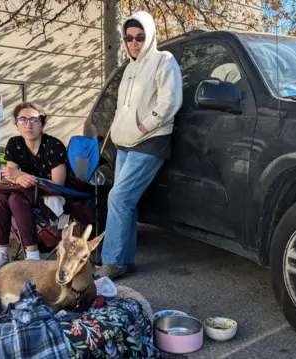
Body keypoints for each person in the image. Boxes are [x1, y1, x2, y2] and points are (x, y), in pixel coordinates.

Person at [94, 11, 183, 280]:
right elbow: (123, 108)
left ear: (150, 36)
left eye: (140, 37)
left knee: (119, 198)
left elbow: (170, 101)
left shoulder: (163, 61)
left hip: (150, 142)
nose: (134, 42)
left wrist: (146, 125)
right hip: (124, 144)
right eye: (129, 37)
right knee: (126, 203)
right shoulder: (129, 69)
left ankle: (113, 261)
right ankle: (125, 259)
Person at [0, 102, 69, 277]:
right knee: (0, 198)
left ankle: (33, 258)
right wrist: (19, 177)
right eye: (23, 119)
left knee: (15, 198)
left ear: (42, 124)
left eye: (34, 120)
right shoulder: (15, 143)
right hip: (22, 192)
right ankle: (1, 254)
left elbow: (57, 183)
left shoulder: (54, 145)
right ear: (16, 124)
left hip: (49, 194)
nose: (28, 124)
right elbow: (11, 176)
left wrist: (25, 177)